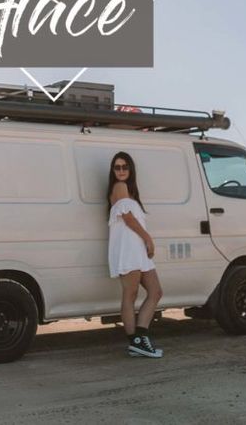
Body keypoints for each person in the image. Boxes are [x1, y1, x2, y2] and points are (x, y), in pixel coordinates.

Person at [107, 151, 164, 358]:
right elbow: (129, 219)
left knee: (155, 291)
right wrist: (148, 238)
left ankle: (140, 338)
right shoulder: (119, 187)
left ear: (131, 169)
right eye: (117, 167)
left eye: (125, 167)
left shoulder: (130, 191)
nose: (121, 171)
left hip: (137, 248)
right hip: (128, 248)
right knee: (130, 295)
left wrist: (144, 242)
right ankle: (136, 341)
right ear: (113, 171)